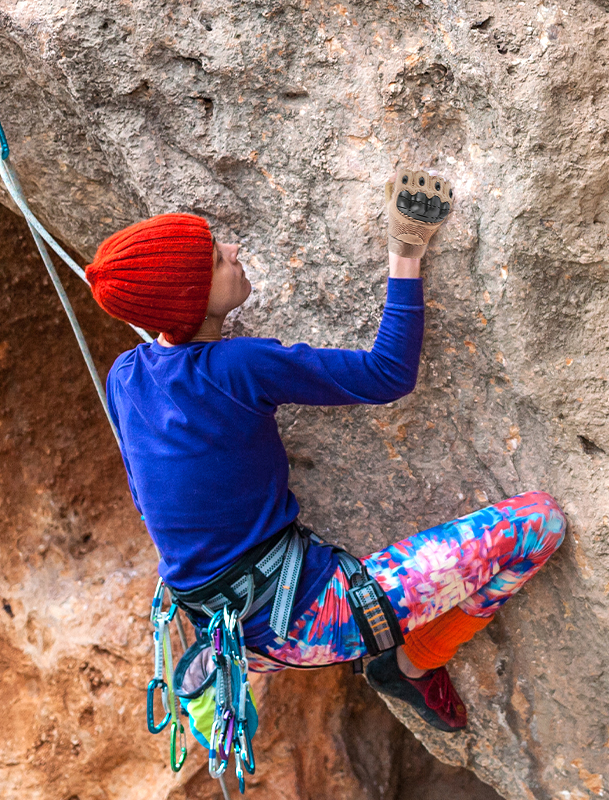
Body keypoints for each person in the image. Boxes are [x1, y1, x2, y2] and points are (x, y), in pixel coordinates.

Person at [85, 168, 566, 732]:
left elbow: (146, 500)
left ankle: (251, 665)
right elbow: (387, 373)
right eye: (217, 257)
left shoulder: (125, 376)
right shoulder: (238, 367)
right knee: (542, 525)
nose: (233, 250)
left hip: (225, 628)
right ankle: (411, 663)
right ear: (192, 298)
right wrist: (406, 249)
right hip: (315, 619)